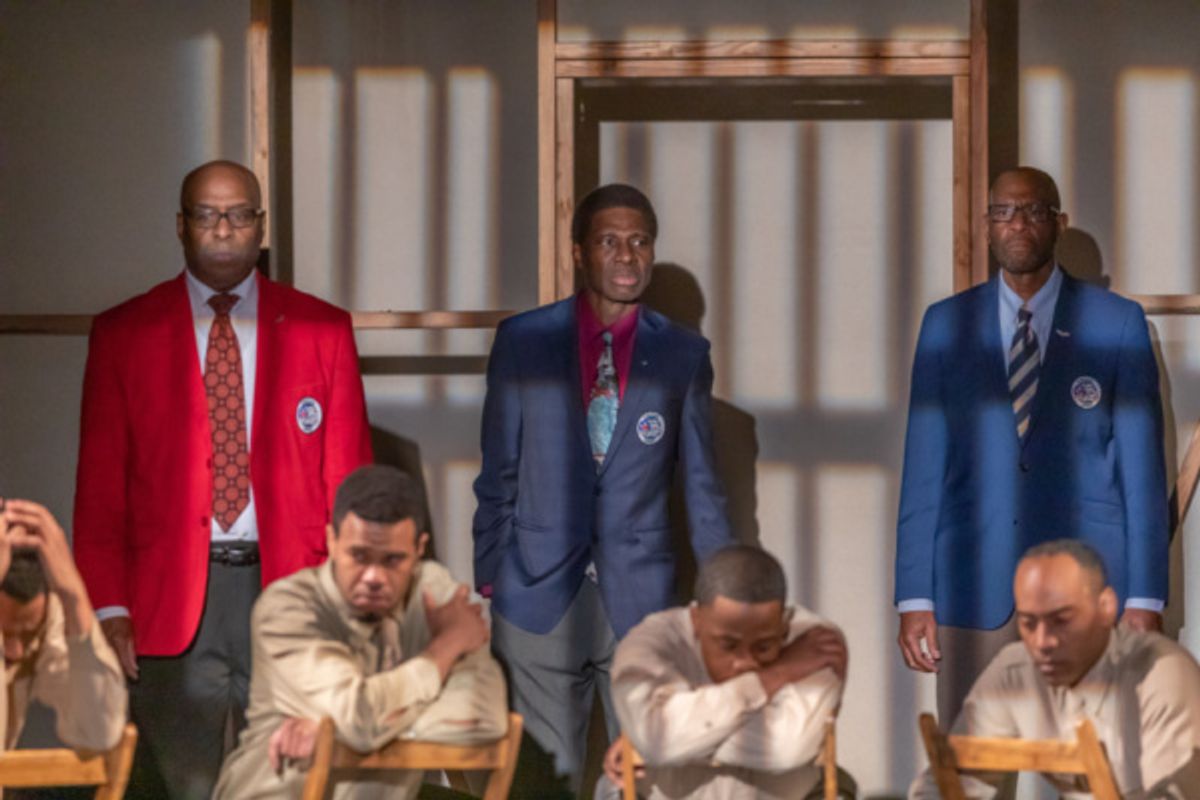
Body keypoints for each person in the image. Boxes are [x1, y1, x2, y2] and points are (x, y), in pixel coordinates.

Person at [73, 160, 373, 798]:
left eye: (239, 215)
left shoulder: (323, 329)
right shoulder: (124, 333)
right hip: (170, 604)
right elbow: (101, 492)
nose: (224, 229)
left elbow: (351, 491)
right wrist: (109, 607)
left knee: (292, 782)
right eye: (207, 215)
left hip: (291, 591)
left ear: (260, 228)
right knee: (186, 786)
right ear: (181, 226)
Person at [473, 183, 734, 793]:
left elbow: (703, 491)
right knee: (544, 782)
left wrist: (724, 604)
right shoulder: (524, 341)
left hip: (640, 601)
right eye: (609, 242)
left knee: (639, 782)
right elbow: (498, 473)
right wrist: (495, 577)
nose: (626, 255)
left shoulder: (683, 353)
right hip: (536, 598)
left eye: (639, 242)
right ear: (579, 253)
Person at [894, 166, 1168, 726]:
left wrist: (1146, 598)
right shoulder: (946, 325)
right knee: (973, 774)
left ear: (1058, 222)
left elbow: (1142, 474)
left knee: (1095, 773)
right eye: (1003, 211)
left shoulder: (1116, 324)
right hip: (973, 588)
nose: (1018, 222)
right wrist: (914, 596)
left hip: (1089, 594)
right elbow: (923, 468)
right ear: (987, 226)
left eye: (1034, 210)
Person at [213, 465, 508, 799]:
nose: (373, 576)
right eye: (359, 556)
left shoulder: (433, 591)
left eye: (392, 559)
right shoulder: (287, 607)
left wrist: (332, 730)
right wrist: (444, 649)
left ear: (418, 550)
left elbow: (484, 717)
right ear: (331, 541)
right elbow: (359, 720)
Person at [910, 540, 1200, 799]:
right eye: (1028, 622)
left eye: (1062, 620)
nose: (1042, 641)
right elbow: (950, 782)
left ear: (1106, 606)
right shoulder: (1015, 672)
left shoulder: (1162, 675)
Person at [599, 545, 846, 800]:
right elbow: (657, 739)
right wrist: (773, 676)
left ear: (783, 627)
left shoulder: (816, 642)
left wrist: (668, 739)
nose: (744, 662)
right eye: (728, 645)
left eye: (763, 646)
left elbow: (787, 748)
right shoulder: (652, 640)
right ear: (696, 619)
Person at [0, 498, 126, 752]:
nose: (15, 651)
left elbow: (98, 732)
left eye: (27, 635)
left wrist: (75, 597)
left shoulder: (48, 613)